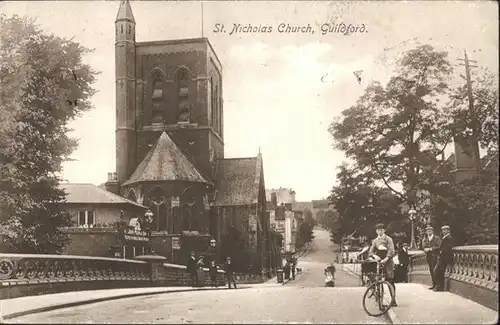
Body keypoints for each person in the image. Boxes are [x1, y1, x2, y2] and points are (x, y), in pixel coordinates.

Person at [368, 223, 397, 307]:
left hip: (388, 260)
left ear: (384, 230)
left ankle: (393, 300)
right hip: (379, 260)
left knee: (390, 279)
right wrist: (374, 256)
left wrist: (386, 258)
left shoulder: (388, 239)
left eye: (381, 230)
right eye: (378, 230)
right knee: (375, 276)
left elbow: (391, 250)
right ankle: (377, 292)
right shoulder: (375, 241)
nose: (379, 232)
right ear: (376, 231)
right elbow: (371, 251)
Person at [420, 225, 441, 290]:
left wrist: (431, 249)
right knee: (431, 270)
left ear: (432, 231)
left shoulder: (436, 238)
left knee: (435, 270)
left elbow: (439, 246)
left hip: (435, 256)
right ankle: (434, 284)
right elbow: (423, 247)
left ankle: (437, 285)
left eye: (430, 231)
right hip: (428, 256)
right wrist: (425, 249)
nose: (429, 232)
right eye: (427, 231)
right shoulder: (425, 239)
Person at [433, 225, 453, 292]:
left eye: (445, 230)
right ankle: (439, 287)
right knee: (438, 272)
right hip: (442, 258)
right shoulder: (445, 238)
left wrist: (441, 252)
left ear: (448, 230)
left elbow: (448, 248)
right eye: (443, 230)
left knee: (437, 271)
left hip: (444, 259)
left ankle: (440, 287)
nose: (443, 231)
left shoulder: (449, 238)